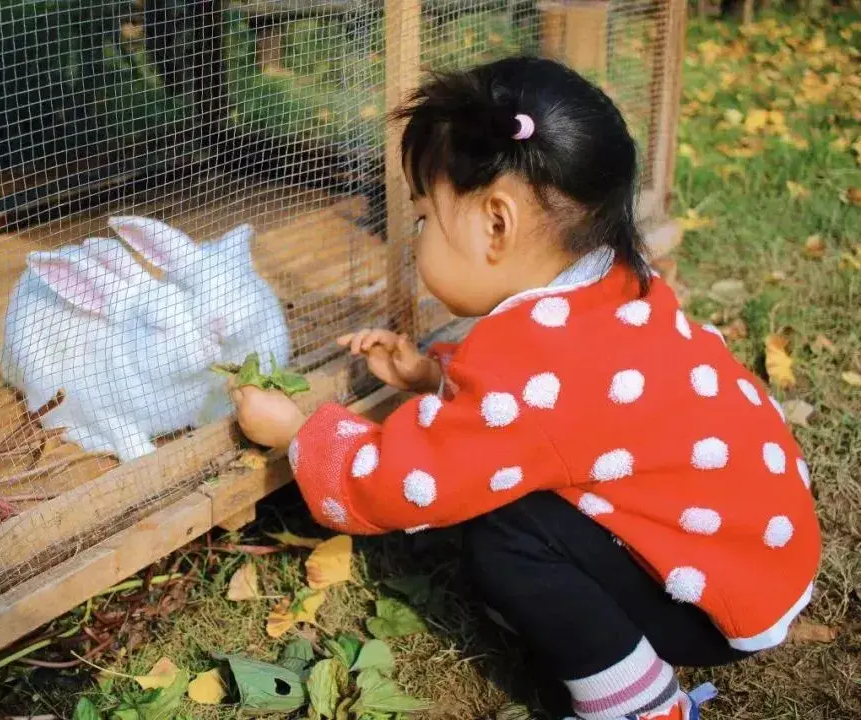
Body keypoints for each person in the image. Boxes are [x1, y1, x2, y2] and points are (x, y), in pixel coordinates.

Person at [230, 57, 820, 720]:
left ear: (497, 224)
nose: (417, 236)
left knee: (507, 535)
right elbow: (555, 410)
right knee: (519, 514)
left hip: (705, 607)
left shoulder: (532, 359)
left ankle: (644, 707)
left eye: (425, 218)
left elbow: (405, 483)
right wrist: (434, 376)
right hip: (756, 557)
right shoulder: (621, 284)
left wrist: (298, 434)